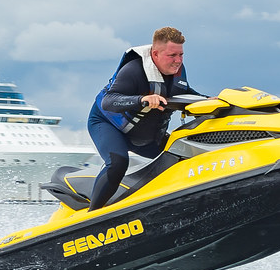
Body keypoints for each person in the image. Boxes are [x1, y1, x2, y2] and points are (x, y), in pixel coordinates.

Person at [86, 26, 201, 210]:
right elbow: (108, 101)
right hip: (108, 126)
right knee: (118, 163)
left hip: (145, 137)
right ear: (155, 54)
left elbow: (184, 92)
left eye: (181, 55)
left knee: (183, 158)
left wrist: (207, 101)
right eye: (172, 55)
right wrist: (142, 99)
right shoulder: (134, 70)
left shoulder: (177, 70)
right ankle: (91, 217)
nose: (178, 60)